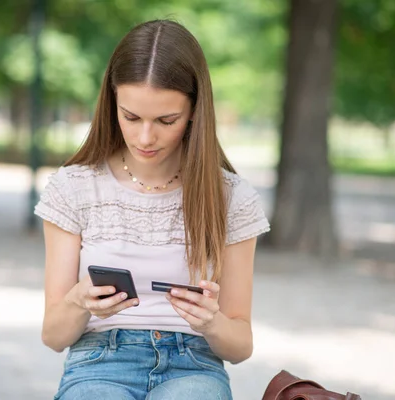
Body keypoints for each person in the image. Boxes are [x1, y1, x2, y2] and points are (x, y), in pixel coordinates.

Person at [34, 19, 270, 400]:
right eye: (131, 117)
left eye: (166, 120)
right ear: (112, 104)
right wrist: (79, 301)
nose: (145, 137)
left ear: (195, 110)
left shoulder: (232, 197)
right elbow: (53, 336)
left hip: (194, 365)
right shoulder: (74, 187)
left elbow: (240, 346)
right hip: (98, 361)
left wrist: (212, 322)